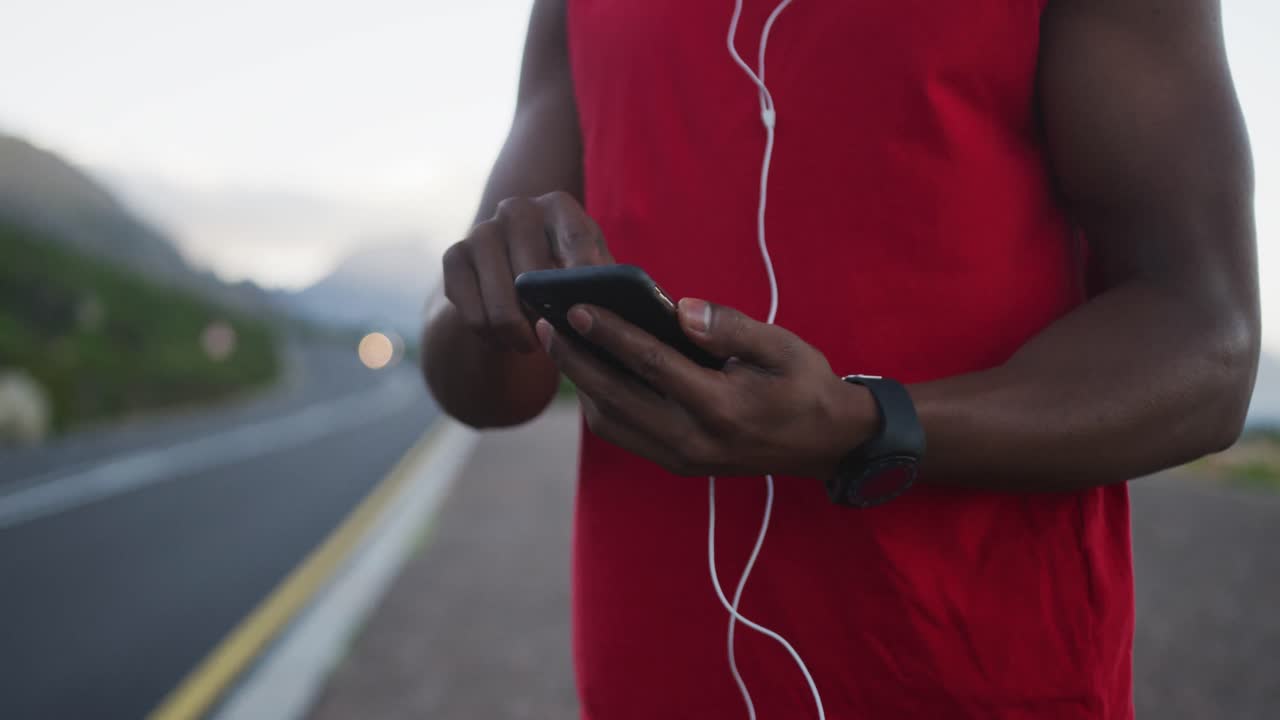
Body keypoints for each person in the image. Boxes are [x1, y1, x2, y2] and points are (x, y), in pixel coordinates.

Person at [421, 0, 1258, 717]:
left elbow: (1205, 342)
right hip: (646, 681)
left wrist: (864, 427)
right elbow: (488, 386)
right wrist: (485, 300)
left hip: (984, 680)